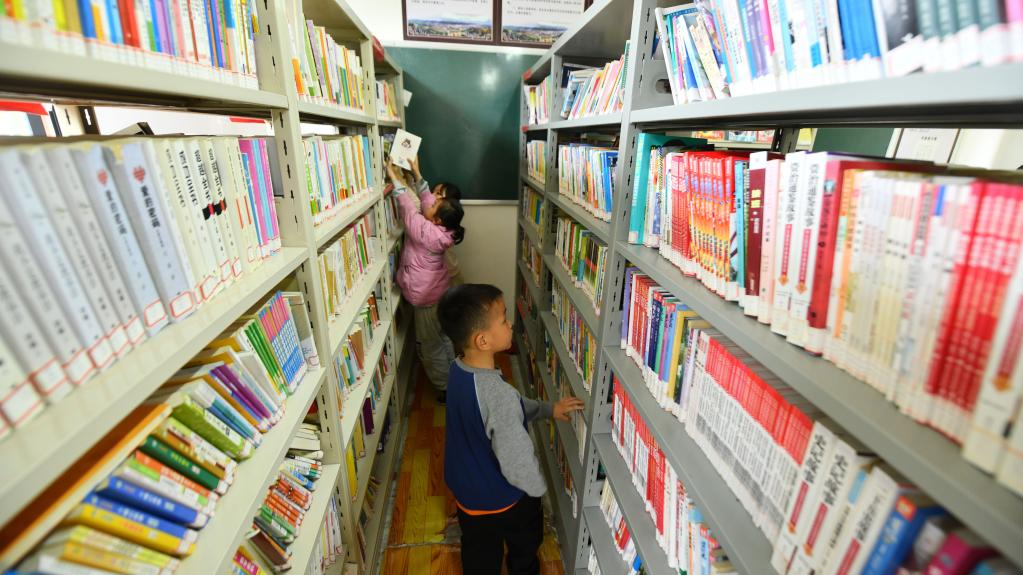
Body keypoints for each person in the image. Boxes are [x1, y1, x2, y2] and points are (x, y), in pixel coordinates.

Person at [437, 283, 585, 575]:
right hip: (503, 499)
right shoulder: (498, 395)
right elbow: (517, 462)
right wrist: (537, 493)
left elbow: (504, 408)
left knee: (479, 555)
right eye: (504, 319)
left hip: (467, 495)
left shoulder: (458, 369)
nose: (510, 325)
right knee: (524, 550)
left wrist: (548, 409)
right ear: (483, 340)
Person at [387, 161, 465, 403]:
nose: (431, 202)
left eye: (435, 205)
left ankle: (445, 388)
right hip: (437, 293)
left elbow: (409, 210)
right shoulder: (443, 229)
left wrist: (394, 178)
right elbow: (427, 202)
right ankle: (455, 376)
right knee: (442, 337)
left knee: (429, 345)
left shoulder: (427, 232)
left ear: (437, 219)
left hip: (425, 298)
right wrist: (417, 173)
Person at [407, 157, 465, 286]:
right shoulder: (437, 219)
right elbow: (424, 196)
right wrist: (414, 173)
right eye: (433, 191)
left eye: (438, 194)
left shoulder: (434, 229)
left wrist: (399, 179)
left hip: (451, 276)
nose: (432, 196)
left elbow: (415, 202)